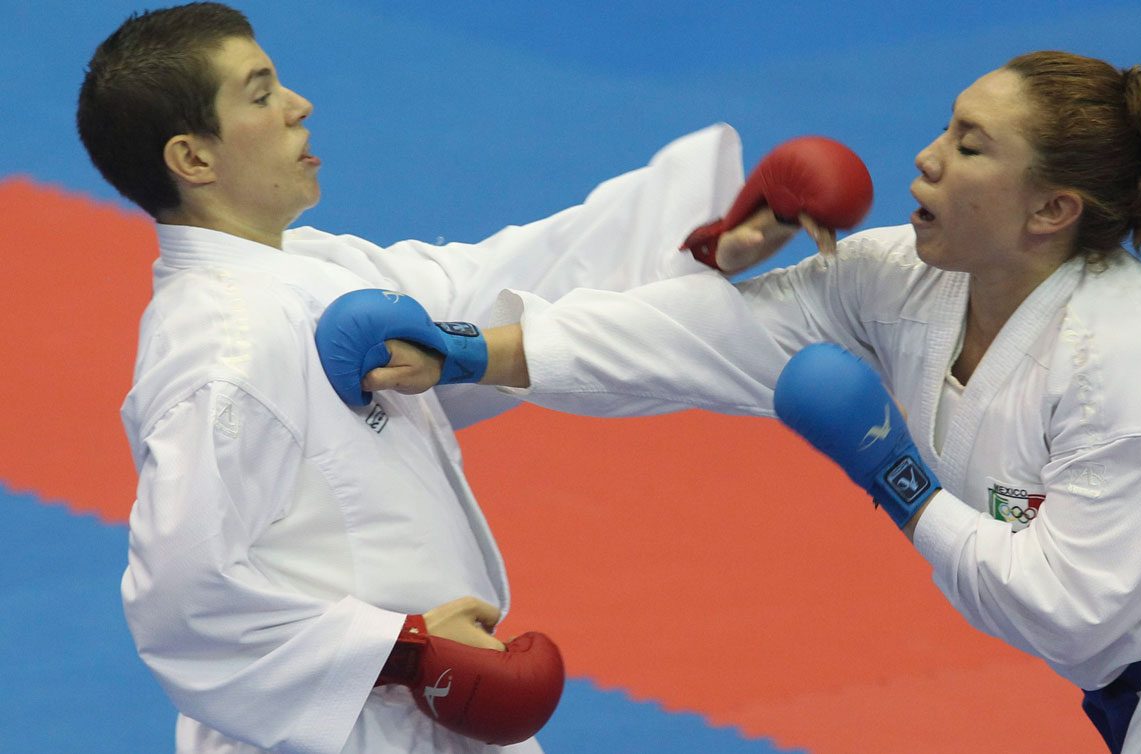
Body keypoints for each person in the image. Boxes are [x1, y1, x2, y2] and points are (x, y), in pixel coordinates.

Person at [331, 52, 1141, 752]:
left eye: (970, 146)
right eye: (945, 125)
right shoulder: (906, 279)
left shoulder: (1136, 372)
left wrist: (890, 476)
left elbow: (1062, 608)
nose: (925, 157)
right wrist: (469, 352)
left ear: (1050, 210)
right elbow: (697, 341)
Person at [77, 3, 861, 752]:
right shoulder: (223, 354)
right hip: (335, 726)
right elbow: (182, 599)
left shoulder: (308, 268)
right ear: (192, 158)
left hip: (429, 706)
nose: (298, 105)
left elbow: (489, 289)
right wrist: (407, 653)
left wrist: (707, 246)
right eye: (262, 94)